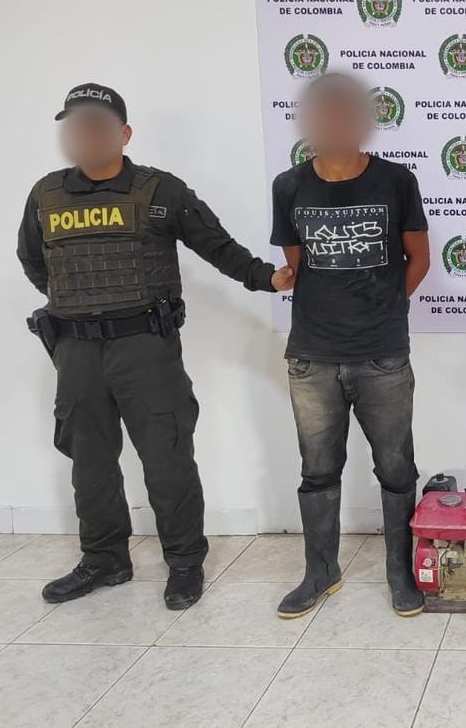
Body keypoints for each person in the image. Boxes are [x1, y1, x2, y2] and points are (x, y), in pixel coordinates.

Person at [17, 83, 294, 609]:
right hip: (76, 351)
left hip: (144, 345)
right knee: (89, 463)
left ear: (123, 134)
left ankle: (185, 562)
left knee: (167, 459)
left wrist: (265, 278)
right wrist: (76, 305)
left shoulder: (161, 191)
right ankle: (105, 559)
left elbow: (216, 245)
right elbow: (34, 261)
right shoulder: (45, 195)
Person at [270, 72, 431, 619]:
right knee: (317, 470)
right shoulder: (289, 186)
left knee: (396, 468)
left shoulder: (396, 181)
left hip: (382, 355)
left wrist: (385, 309)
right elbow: (297, 267)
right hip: (312, 356)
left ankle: (400, 573)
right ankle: (321, 572)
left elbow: (419, 259)